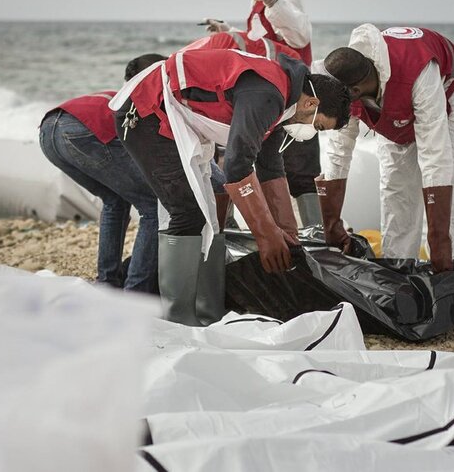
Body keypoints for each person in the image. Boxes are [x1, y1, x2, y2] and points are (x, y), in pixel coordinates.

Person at [109, 48, 350, 325]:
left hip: (178, 120)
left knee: (217, 207)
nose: (310, 133)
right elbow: (236, 164)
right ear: (311, 103)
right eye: (318, 126)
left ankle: (209, 312)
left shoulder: (284, 102)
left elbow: (270, 166)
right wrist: (264, 234)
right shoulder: (269, 95)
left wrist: (286, 233)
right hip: (145, 112)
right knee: (187, 212)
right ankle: (179, 321)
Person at [316, 25, 454, 274]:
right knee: (396, 183)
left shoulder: (420, 75)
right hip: (392, 99)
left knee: (449, 175)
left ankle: (451, 265)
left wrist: (438, 238)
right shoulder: (345, 85)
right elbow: (339, 152)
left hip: (446, 88)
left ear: (355, 92)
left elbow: (435, 156)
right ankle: (398, 267)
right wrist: (331, 223)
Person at [204, 0, 322, 228]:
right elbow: (263, 43)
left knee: (299, 169)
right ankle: (284, 234)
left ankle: (314, 237)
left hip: (291, 91)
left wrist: (273, 0)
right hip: (272, 93)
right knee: (270, 161)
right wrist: (228, 30)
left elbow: (300, 35)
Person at [38, 53, 165, 292]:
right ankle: (136, 292)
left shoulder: (114, 94)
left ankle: (108, 282)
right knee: (153, 204)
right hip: (81, 132)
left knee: (114, 199)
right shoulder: (146, 99)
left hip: (48, 131)